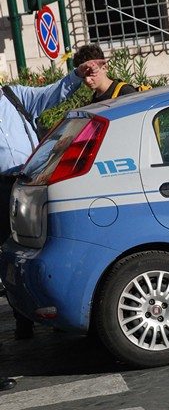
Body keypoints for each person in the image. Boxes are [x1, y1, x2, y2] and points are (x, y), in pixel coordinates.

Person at [0, 57, 104, 350]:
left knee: (43, 245)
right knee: (10, 251)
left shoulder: (13, 95)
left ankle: (50, 308)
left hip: (29, 183)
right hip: (0, 190)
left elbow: (50, 94)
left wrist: (76, 75)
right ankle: (22, 316)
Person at [72, 44, 137, 102]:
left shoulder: (125, 91)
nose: (87, 80)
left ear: (104, 68)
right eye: (83, 77)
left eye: (91, 74)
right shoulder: (94, 99)